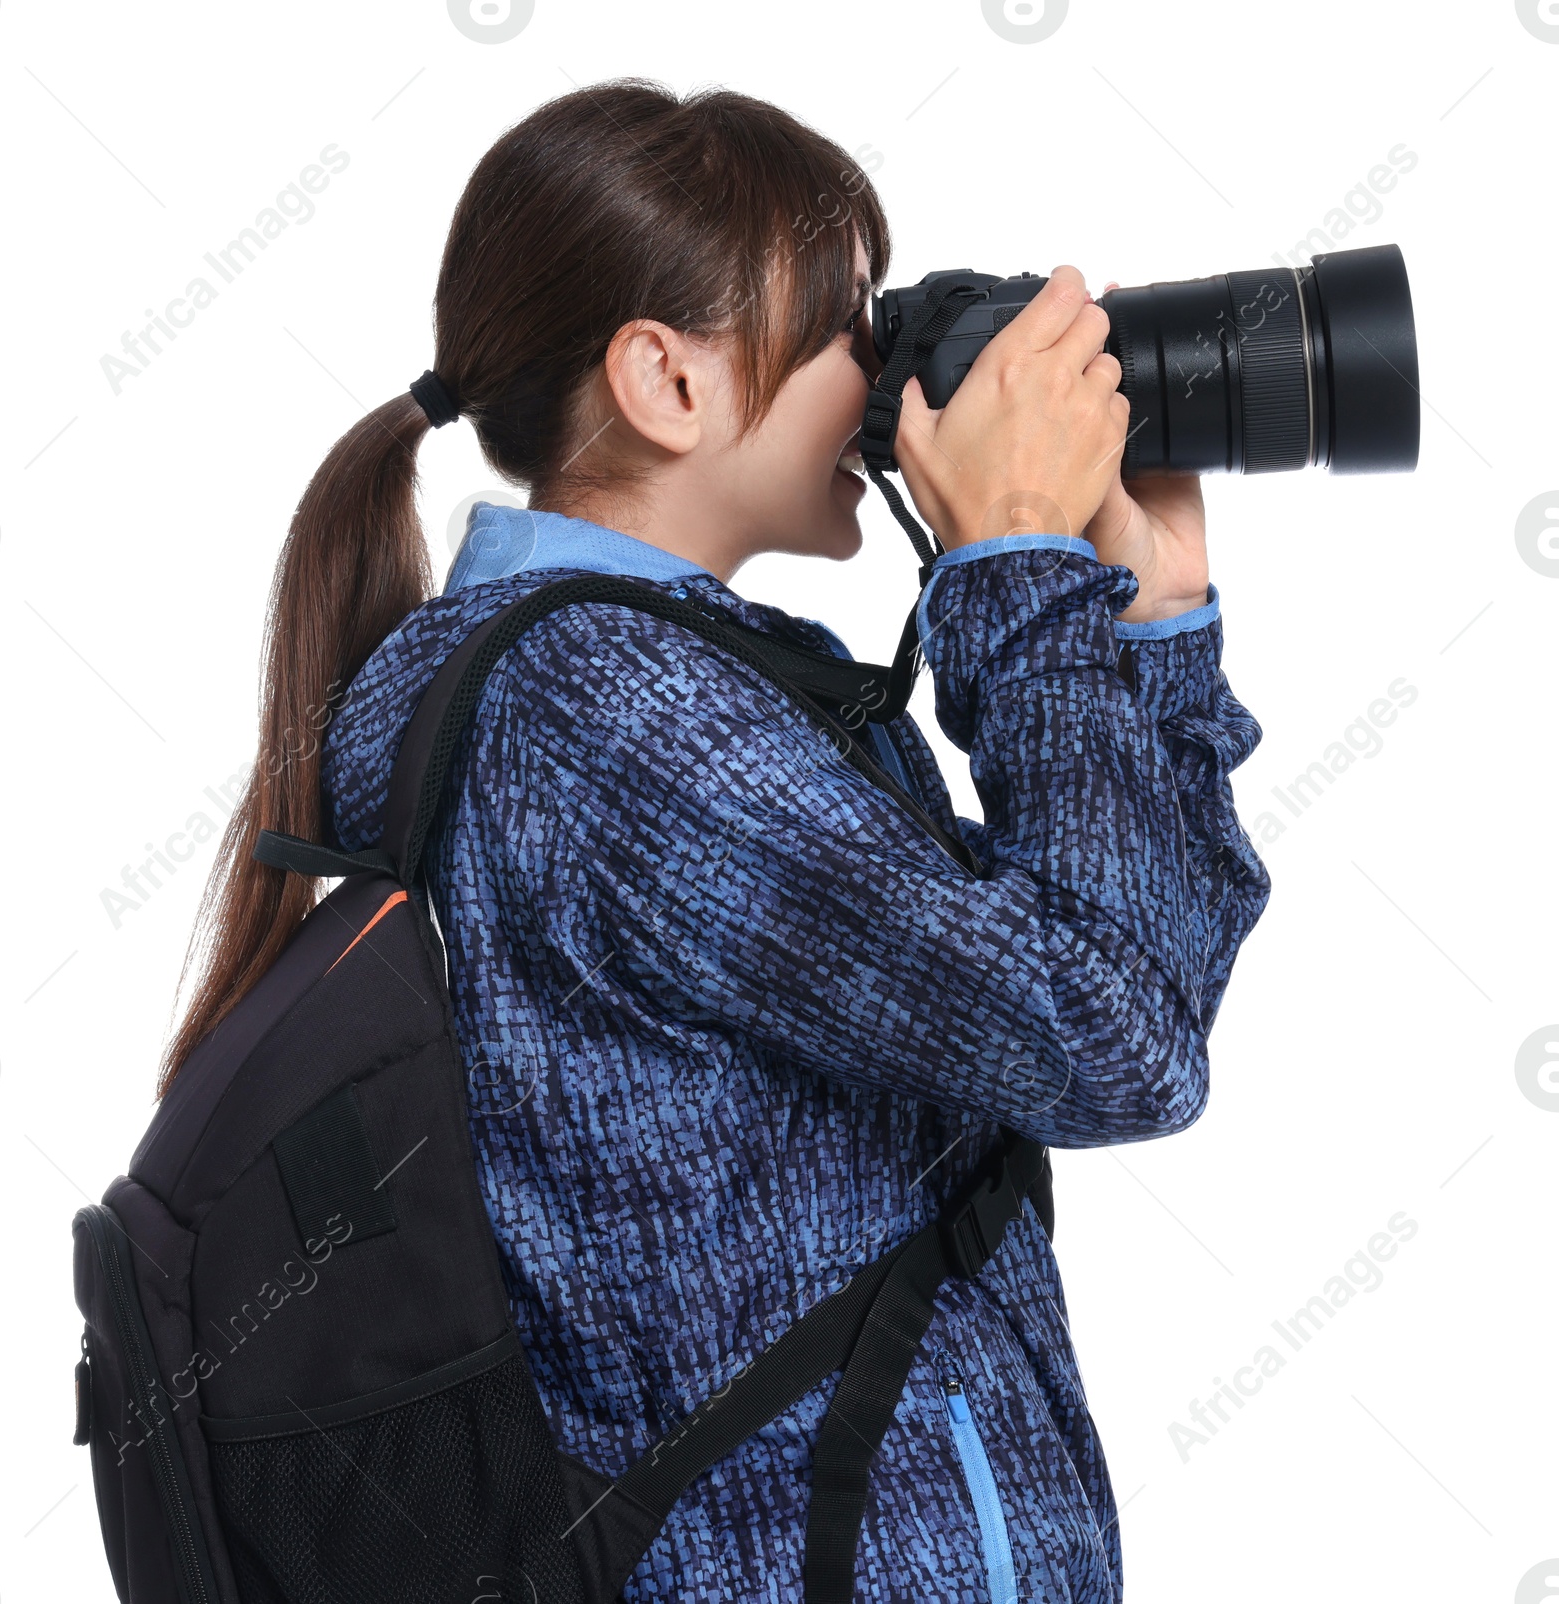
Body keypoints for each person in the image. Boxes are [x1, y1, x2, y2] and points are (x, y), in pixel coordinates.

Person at [165, 79, 1270, 1603]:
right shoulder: (607, 721)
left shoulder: (610, 683)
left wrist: (1142, 615)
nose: (885, 376)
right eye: (842, 325)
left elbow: (1125, 973)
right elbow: (1110, 1038)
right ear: (666, 384)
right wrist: (1011, 565)